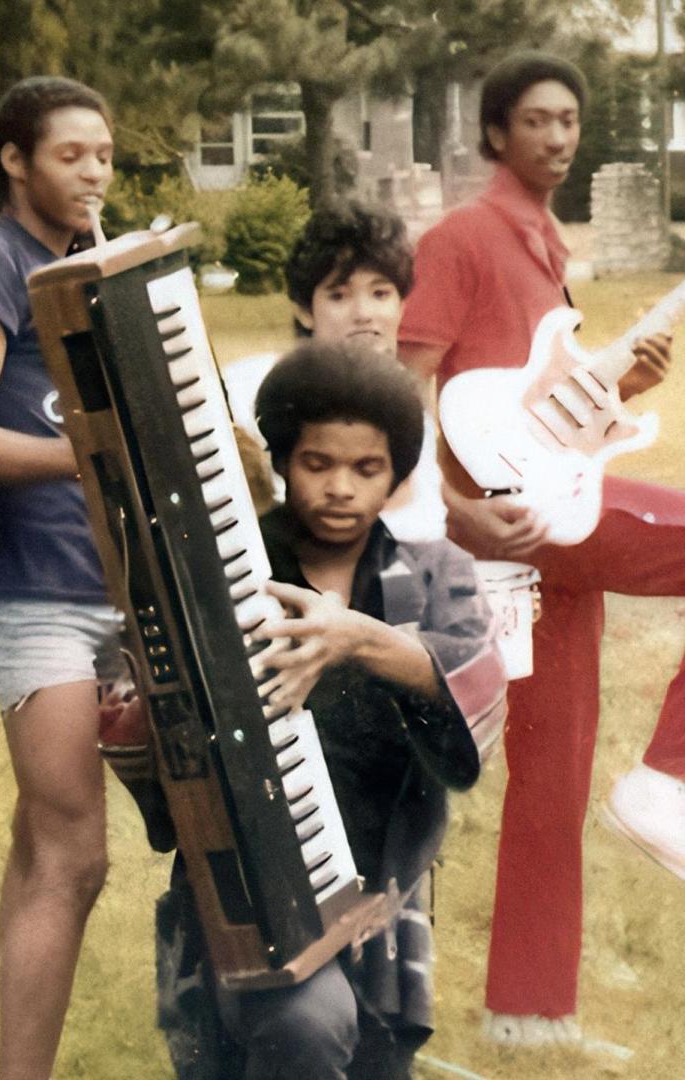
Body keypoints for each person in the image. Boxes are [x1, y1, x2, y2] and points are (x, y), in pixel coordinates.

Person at [398, 50, 685, 1046]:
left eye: (569, 120)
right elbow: (398, 401)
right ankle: (668, 778)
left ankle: (529, 1014)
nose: (557, 137)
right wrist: (454, 511)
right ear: (494, 135)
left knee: (553, 761)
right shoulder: (464, 238)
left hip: (545, 505)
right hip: (511, 521)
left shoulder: (543, 245)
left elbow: (528, 405)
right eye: (536, 122)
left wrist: (625, 388)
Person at [155, 339, 500, 1079]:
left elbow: (480, 687)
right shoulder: (227, 573)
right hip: (247, 891)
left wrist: (357, 639)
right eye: (318, 464)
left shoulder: (434, 574)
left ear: (397, 477)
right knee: (305, 1031)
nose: (341, 487)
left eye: (366, 468)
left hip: (379, 892)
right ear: (281, 462)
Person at [0, 76, 120, 1080]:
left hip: (106, 583)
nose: (96, 173)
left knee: (43, 849)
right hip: (30, 592)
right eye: (72, 155)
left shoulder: (87, 269)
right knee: (76, 854)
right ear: (16, 161)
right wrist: (94, 456)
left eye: (105, 155)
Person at [223, 200, 447, 542]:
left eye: (380, 293)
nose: (363, 313)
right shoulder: (246, 389)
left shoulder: (414, 418)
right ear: (304, 311)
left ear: (402, 306)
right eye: (338, 296)